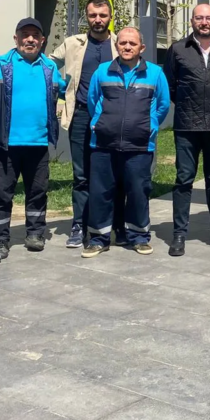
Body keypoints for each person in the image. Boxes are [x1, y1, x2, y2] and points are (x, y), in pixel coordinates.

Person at [82, 27, 170, 258]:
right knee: (100, 192)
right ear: (116, 45)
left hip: (140, 145)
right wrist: (100, 123)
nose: (127, 47)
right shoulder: (102, 71)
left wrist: (150, 125)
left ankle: (139, 237)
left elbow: (163, 104)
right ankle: (99, 239)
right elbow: (93, 101)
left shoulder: (155, 73)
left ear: (142, 47)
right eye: (123, 43)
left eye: (132, 43)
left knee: (138, 192)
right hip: (103, 143)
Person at [0, 18, 67, 258]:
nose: (30, 39)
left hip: (38, 143)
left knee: (38, 191)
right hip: (5, 144)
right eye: (25, 35)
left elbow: (68, 91)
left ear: (42, 40)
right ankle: (0, 238)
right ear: (16, 38)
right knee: (2, 193)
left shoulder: (50, 68)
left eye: (35, 35)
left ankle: (35, 233)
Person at [164, 3, 210, 257]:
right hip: (187, 127)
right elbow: (169, 85)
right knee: (184, 179)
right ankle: (179, 235)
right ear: (192, 21)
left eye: (209, 18)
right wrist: (187, 105)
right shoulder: (177, 49)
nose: (204, 22)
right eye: (199, 18)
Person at [50, 0, 122, 249]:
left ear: (110, 17)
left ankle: (113, 225)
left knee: (113, 172)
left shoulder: (119, 43)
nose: (98, 20)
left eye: (102, 15)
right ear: (86, 17)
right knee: (81, 175)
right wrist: (60, 85)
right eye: (93, 15)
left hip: (113, 117)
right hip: (81, 115)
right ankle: (79, 225)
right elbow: (49, 63)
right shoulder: (73, 43)